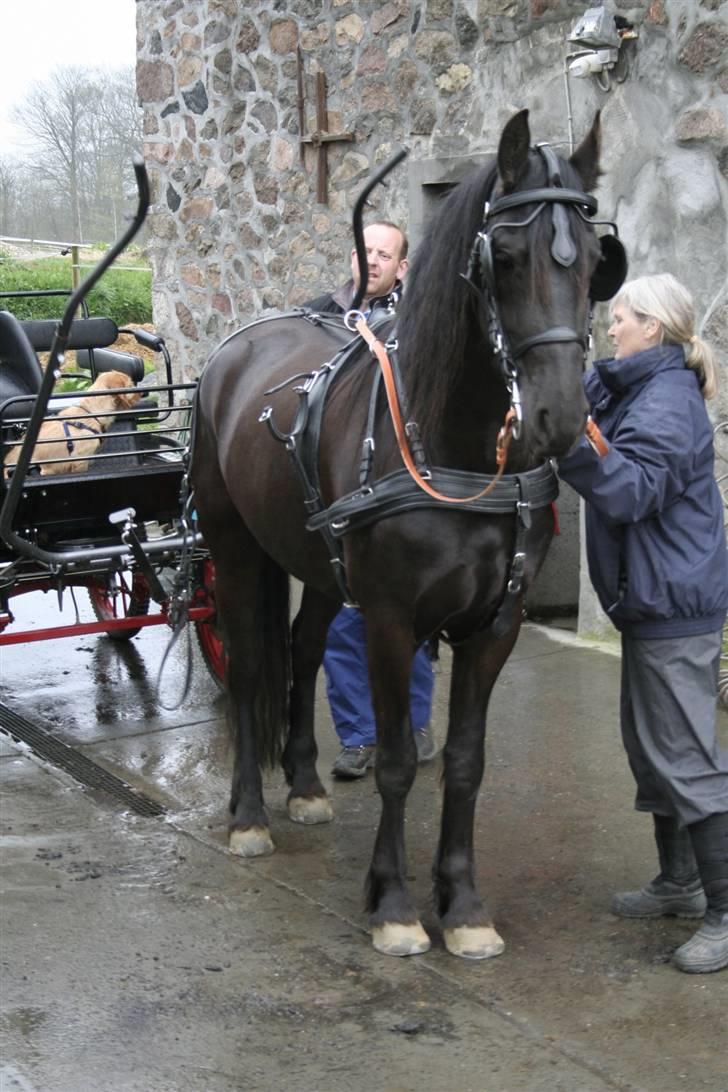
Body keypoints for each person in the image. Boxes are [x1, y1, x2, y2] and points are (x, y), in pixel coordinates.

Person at [558, 273, 728, 974]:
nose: (610, 327)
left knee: (685, 758)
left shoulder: (667, 401)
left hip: (673, 605)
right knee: (651, 748)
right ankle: (679, 883)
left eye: (620, 317)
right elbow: (589, 408)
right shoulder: (637, 385)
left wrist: (570, 441)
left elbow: (630, 489)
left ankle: (723, 911)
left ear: (652, 328)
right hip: (650, 600)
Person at [305, 221, 437, 779]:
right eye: (367, 251)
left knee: (417, 623)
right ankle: (359, 737)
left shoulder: (424, 320)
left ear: (403, 266)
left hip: (409, 490)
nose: (375, 261)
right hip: (346, 495)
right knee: (344, 623)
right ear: (353, 258)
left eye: (387, 254)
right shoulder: (318, 318)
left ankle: (414, 725)